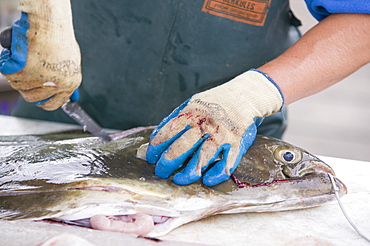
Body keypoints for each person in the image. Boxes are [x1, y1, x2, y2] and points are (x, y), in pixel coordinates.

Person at [1, 0, 369, 186]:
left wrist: (253, 94)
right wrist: (43, 14)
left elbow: (361, 17)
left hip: (226, 144)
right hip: (62, 121)